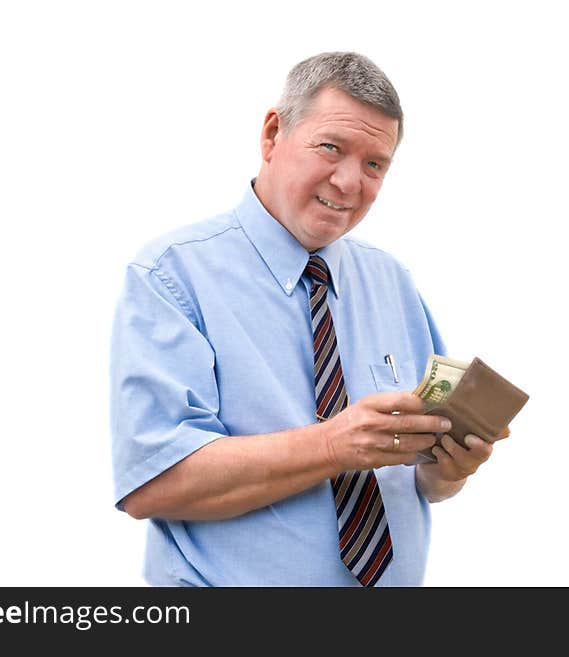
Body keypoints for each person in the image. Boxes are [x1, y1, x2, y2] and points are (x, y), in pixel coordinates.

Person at [110, 51, 508, 586]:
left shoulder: (391, 280)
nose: (349, 182)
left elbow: (422, 481)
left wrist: (447, 470)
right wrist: (333, 445)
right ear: (272, 135)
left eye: (375, 164)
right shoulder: (171, 276)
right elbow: (152, 483)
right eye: (331, 148)